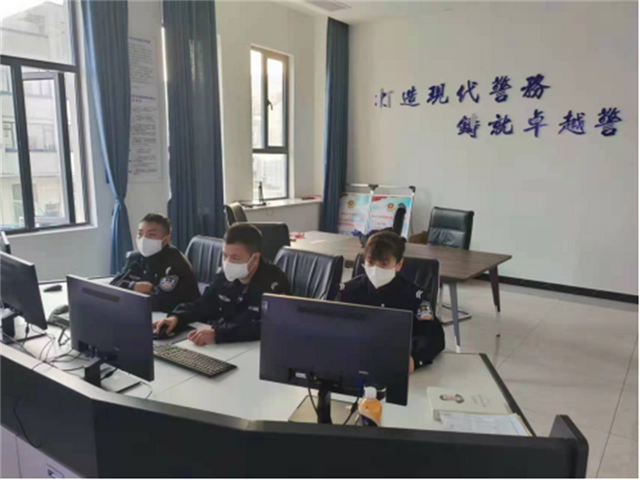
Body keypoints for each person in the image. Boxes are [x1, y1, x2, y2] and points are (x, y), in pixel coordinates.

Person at [154, 223, 290, 345]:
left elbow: (270, 325)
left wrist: (219, 335)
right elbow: (204, 303)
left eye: (235, 257)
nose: (228, 262)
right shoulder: (224, 276)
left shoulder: (274, 282)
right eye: (224, 255)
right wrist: (177, 317)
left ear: (255, 258)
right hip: (225, 345)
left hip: (254, 348)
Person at [337, 231, 445, 373]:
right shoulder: (348, 291)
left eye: (384, 264)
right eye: (370, 262)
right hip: (352, 361)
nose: (376, 269)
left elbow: (434, 337)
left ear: (399, 264)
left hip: (395, 363)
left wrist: (415, 359)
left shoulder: (415, 297)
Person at [111, 213, 201, 313]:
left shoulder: (176, 263)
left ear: (166, 239)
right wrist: (133, 286)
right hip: (144, 312)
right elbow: (114, 285)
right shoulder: (135, 258)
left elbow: (160, 302)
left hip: (179, 317)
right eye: (140, 234)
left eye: (151, 235)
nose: (143, 239)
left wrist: (128, 293)